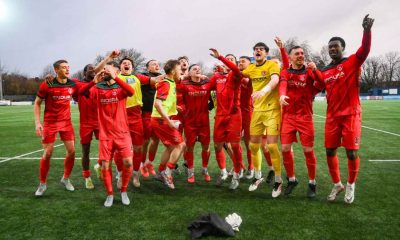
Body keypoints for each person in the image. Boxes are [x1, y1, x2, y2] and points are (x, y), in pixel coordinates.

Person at [315, 14, 374, 204]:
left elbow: (364, 50)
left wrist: (366, 31)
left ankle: (350, 184)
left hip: (351, 115)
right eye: (330, 47)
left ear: (343, 48)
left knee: (351, 153)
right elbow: (317, 84)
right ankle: (337, 184)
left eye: (336, 46)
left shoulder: (351, 63)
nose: (332, 49)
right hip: (332, 117)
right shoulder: (325, 70)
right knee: (330, 151)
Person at [80, 60, 135, 207]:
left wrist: (115, 78)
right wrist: (93, 82)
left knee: (128, 162)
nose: (105, 71)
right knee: (105, 166)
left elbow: (131, 92)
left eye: (108, 69)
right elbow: (82, 93)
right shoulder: (98, 88)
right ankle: (110, 194)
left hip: (123, 133)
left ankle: (123, 191)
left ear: (116, 72)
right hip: (106, 135)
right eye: (104, 69)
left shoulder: (121, 87)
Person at [275, 37, 323, 198]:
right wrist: (282, 96)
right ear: (290, 57)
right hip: (288, 117)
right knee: (285, 149)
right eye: (297, 53)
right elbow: (282, 85)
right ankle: (292, 179)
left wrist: (315, 70)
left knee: (308, 151)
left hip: (305, 117)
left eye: (302, 53)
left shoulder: (309, 71)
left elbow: (322, 84)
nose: (301, 55)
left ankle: (312, 182)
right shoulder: (285, 72)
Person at [242, 42, 282, 197]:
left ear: (266, 53)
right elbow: (238, 72)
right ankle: (258, 177)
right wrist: (222, 60)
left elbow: (275, 80)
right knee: (253, 146)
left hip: (272, 111)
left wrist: (264, 91)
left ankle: (278, 181)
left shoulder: (272, 64)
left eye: (261, 49)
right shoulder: (251, 68)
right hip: (257, 111)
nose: (257, 51)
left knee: (271, 147)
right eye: (255, 49)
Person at [34, 59, 78, 196]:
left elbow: (82, 93)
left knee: (72, 151)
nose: (67, 69)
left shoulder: (73, 84)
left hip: (66, 122)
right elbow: (37, 103)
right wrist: (37, 122)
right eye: (64, 67)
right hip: (50, 122)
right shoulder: (47, 84)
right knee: (47, 153)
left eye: (68, 67)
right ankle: (42, 184)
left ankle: (65, 179)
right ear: (56, 70)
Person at [209, 49, 244, 190]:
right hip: (220, 116)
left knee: (235, 147)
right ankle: (223, 172)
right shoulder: (217, 77)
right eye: (226, 60)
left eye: (231, 60)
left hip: (234, 116)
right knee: (217, 146)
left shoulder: (236, 75)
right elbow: (205, 87)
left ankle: (236, 175)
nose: (228, 62)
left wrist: (221, 58)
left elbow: (234, 69)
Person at [151, 59, 185, 189]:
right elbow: (158, 103)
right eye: (179, 69)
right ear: (172, 71)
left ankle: (160, 172)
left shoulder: (170, 82)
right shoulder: (166, 83)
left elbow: (164, 101)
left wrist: (174, 107)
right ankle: (167, 173)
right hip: (161, 120)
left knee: (171, 147)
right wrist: (169, 120)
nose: (181, 72)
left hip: (159, 119)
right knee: (180, 145)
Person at [180, 64, 213, 183]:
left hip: (204, 122)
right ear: (189, 73)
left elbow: (218, 83)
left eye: (199, 68)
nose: (198, 69)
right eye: (194, 69)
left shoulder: (207, 83)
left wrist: (206, 78)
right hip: (190, 122)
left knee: (206, 147)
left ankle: (205, 169)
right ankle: (190, 171)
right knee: (189, 147)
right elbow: (175, 81)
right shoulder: (184, 85)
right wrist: (185, 77)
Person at [140, 59, 162, 177]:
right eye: (154, 64)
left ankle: (149, 163)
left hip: (158, 114)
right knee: (146, 141)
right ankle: (142, 164)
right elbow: (155, 81)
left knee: (156, 140)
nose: (157, 65)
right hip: (146, 113)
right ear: (148, 68)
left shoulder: (162, 77)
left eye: (157, 64)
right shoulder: (144, 76)